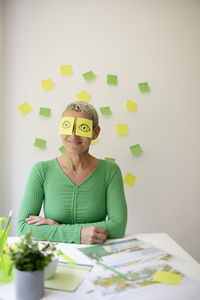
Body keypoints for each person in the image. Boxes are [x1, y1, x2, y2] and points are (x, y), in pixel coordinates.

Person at [18, 101, 127, 244]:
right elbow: (23, 227)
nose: (73, 135)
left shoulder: (110, 171)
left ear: (95, 132)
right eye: (67, 126)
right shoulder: (41, 170)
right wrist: (78, 234)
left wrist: (59, 229)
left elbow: (118, 227)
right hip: (54, 257)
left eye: (82, 128)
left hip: (97, 255)